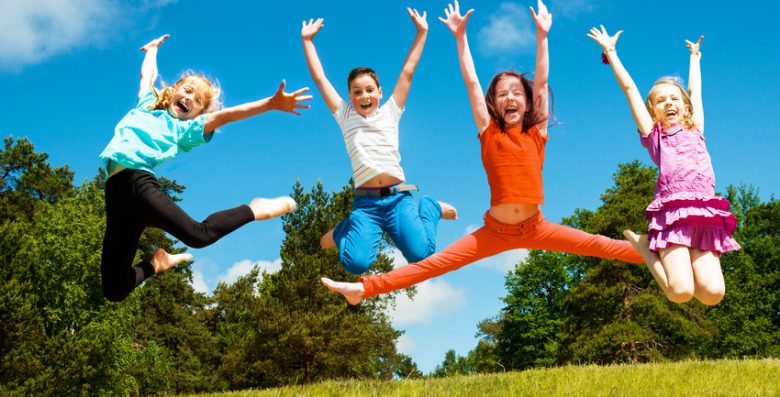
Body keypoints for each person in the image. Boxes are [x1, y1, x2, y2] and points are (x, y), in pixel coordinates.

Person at [321, 0, 644, 305]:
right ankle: (363, 288)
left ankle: (663, 250)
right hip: (494, 231)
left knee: (602, 245)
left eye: (517, 93)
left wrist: (542, 35)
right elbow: (473, 83)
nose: (510, 98)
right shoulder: (489, 132)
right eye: (502, 94)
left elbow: (542, 80)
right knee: (433, 264)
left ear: (528, 102)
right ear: (493, 104)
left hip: (536, 226)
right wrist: (460, 37)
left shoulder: (536, 132)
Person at [100, 34, 312, 302]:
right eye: (188, 91)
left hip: (137, 183)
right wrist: (152, 50)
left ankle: (254, 209)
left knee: (199, 236)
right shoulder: (147, 104)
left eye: (198, 101)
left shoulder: (185, 130)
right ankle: (156, 264)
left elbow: (227, 115)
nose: (190, 99)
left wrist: (270, 104)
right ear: (174, 89)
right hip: (115, 193)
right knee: (114, 289)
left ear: (198, 114)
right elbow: (147, 76)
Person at [587, 26, 739, 305]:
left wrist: (695, 58)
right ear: (653, 111)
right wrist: (610, 52)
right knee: (680, 292)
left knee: (713, 294)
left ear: (685, 107)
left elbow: (695, 92)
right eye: (660, 100)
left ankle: (676, 266)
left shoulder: (696, 128)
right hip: (672, 214)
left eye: (674, 98)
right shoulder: (655, 135)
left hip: (704, 213)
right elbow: (630, 90)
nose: (669, 103)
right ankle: (646, 248)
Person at [301, 8, 457, 275]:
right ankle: (342, 230)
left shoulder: (391, 111)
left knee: (422, 255)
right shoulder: (345, 116)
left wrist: (422, 32)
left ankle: (430, 206)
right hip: (366, 205)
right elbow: (320, 79)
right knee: (355, 264)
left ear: (380, 92)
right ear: (350, 97)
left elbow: (408, 72)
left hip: (398, 199)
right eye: (357, 92)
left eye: (369, 90)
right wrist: (307, 41)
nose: (364, 96)